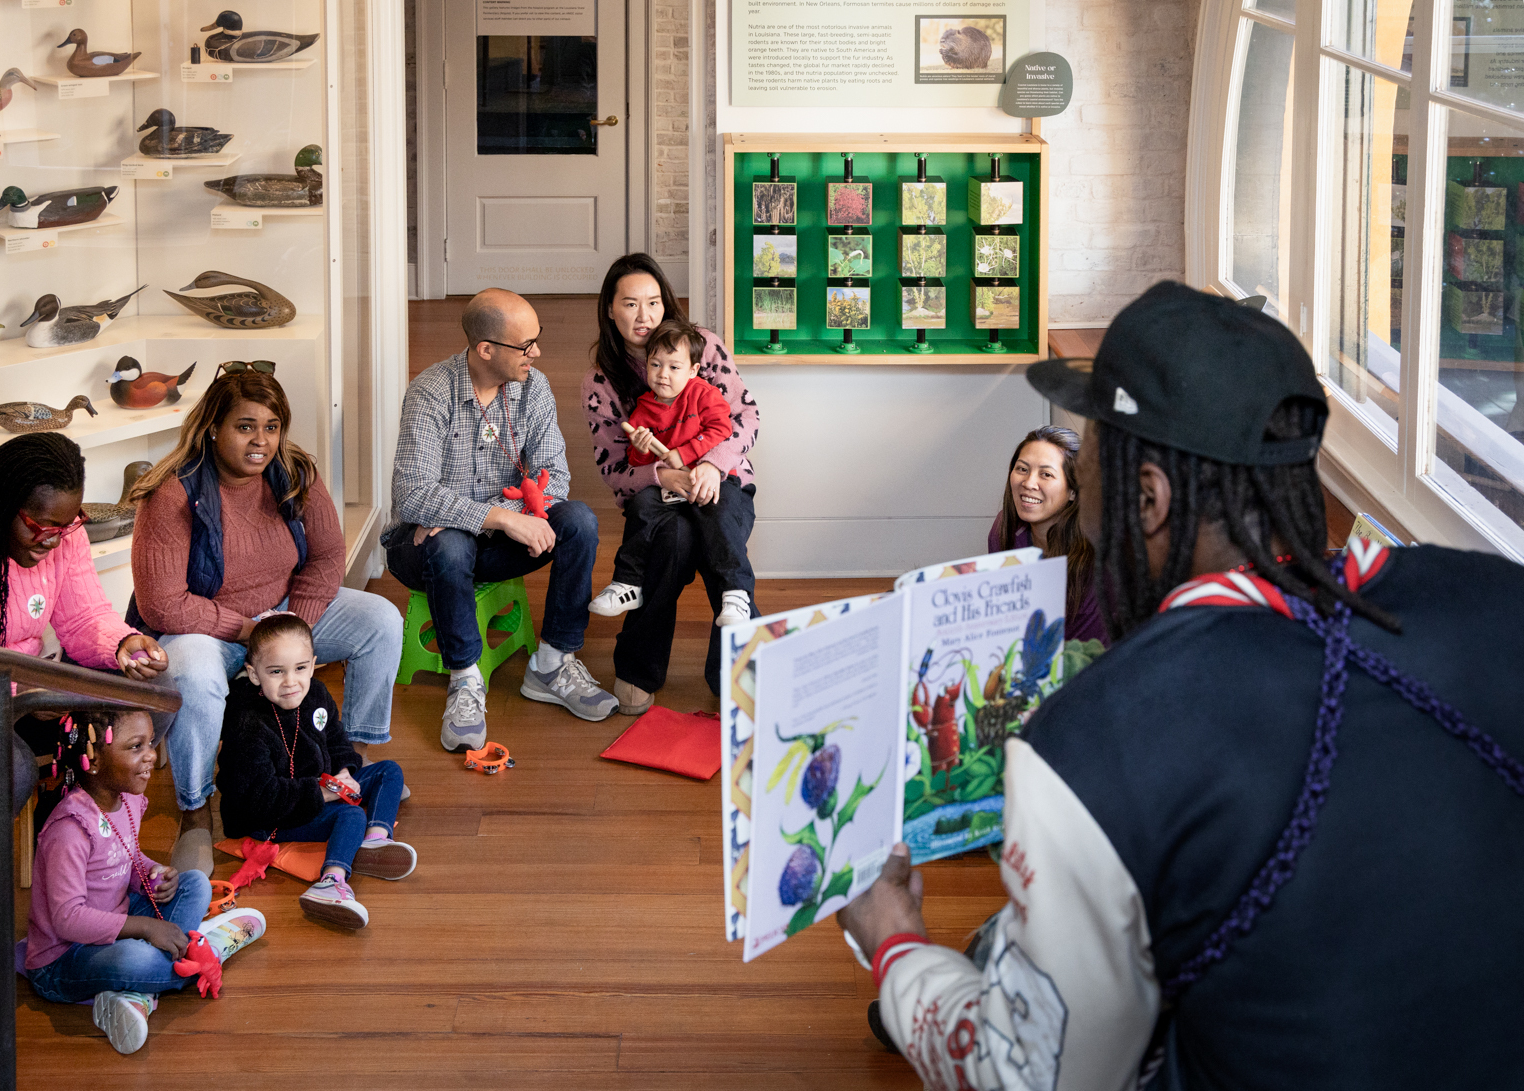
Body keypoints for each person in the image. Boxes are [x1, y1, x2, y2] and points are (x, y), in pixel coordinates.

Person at [837, 282, 1524, 1090]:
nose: (1079, 493)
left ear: (1149, 499)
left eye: (1088, 465)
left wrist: (895, 938)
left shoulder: (1090, 742)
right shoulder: (1496, 599)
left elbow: (1031, 1075)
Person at [129, 369, 403, 878]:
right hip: (205, 628)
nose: (262, 441)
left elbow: (326, 557)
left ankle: (348, 766)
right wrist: (248, 632)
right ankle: (194, 809)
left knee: (381, 620)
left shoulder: (296, 471)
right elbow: (162, 603)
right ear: (213, 427)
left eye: (273, 426)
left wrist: (290, 630)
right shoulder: (172, 494)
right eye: (245, 426)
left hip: (282, 615)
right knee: (192, 673)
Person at [0, 433, 168, 993]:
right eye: (39, 527)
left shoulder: (63, 535)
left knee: (149, 699)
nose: (53, 542)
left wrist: (123, 645)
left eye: (66, 526)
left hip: (21, 690)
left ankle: (86, 864)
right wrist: (17, 686)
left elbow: (84, 622)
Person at [384, 288, 616, 753]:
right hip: (422, 551)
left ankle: (552, 662)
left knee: (580, 521)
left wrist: (492, 519)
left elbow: (556, 480)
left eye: (537, 339)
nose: (537, 352)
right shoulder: (431, 392)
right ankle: (465, 679)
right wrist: (497, 518)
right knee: (449, 544)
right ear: (485, 349)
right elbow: (412, 496)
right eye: (525, 345)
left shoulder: (534, 387)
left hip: (490, 540)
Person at [25, 709, 266, 1055]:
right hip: (64, 959)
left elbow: (128, 858)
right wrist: (145, 928)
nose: (151, 754)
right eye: (136, 746)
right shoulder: (70, 830)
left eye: (151, 742)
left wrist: (153, 876)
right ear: (93, 763)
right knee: (138, 961)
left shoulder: (129, 799)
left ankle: (142, 988)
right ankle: (207, 948)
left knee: (195, 882)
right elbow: (68, 919)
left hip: (117, 915)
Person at [581, 254, 761, 714]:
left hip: (722, 483)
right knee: (671, 541)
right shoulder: (602, 379)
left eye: (654, 302)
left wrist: (710, 467)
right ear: (609, 309)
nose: (644, 317)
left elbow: (744, 417)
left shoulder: (702, 346)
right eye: (630, 304)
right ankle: (639, 668)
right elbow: (614, 470)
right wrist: (667, 474)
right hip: (656, 496)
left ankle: (740, 676)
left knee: (721, 541)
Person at [215, 614, 414, 930]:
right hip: (270, 817)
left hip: (322, 784)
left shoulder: (317, 694)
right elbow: (259, 797)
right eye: (276, 671)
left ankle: (375, 840)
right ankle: (330, 882)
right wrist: (324, 793)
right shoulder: (247, 724)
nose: (291, 682)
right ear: (254, 675)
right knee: (350, 816)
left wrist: (345, 771)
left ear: (314, 664)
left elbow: (335, 739)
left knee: (388, 770)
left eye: (300, 668)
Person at [589, 317, 754, 627]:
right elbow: (637, 463)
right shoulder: (643, 409)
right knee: (642, 508)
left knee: (721, 517)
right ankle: (627, 583)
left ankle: (735, 592)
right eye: (655, 365)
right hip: (671, 487)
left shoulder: (703, 394)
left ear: (693, 370)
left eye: (674, 367)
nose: (663, 374)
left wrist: (686, 455)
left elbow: (723, 427)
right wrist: (639, 447)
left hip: (714, 477)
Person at [987, 425, 1108, 645]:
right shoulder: (1004, 530)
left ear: (1073, 490)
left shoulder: (1097, 547)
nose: (1029, 483)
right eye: (1022, 469)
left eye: (1046, 474)